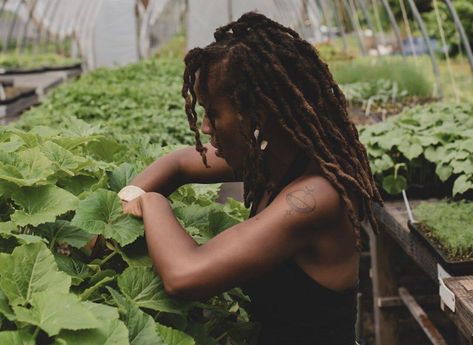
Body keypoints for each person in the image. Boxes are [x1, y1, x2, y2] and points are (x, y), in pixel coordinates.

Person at [121, 11, 383, 345]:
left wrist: (152, 202)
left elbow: (184, 275)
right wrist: (126, 197)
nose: (204, 127)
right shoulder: (273, 157)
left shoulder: (316, 197)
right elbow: (179, 163)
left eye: (213, 113)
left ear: (255, 115)